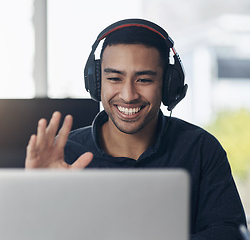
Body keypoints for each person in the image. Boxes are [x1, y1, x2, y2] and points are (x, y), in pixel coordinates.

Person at [25, 18, 247, 239]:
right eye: (114, 78)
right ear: (96, 83)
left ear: (169, 85)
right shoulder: (63, 154)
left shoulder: (200, 149)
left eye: (144, 80)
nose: (128, 95)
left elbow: (230, 235)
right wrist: (35, 200)